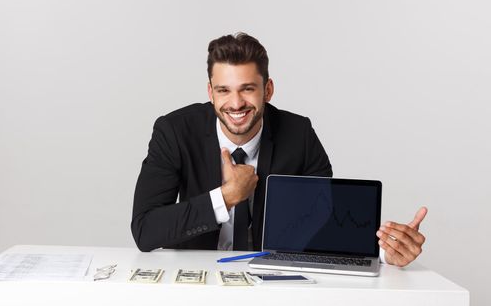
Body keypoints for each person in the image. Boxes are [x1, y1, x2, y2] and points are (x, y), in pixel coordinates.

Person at [131, 32, 427, 267]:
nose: (235, 104)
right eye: (224, 90)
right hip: (200, 285)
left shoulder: (299, 135)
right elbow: (145, 231)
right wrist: (226, 198)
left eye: (247, 89)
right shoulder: (174, 132)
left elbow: (328, 222)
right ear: (210, 92)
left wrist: (387, 254)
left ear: (268, 90)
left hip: (273, 285)